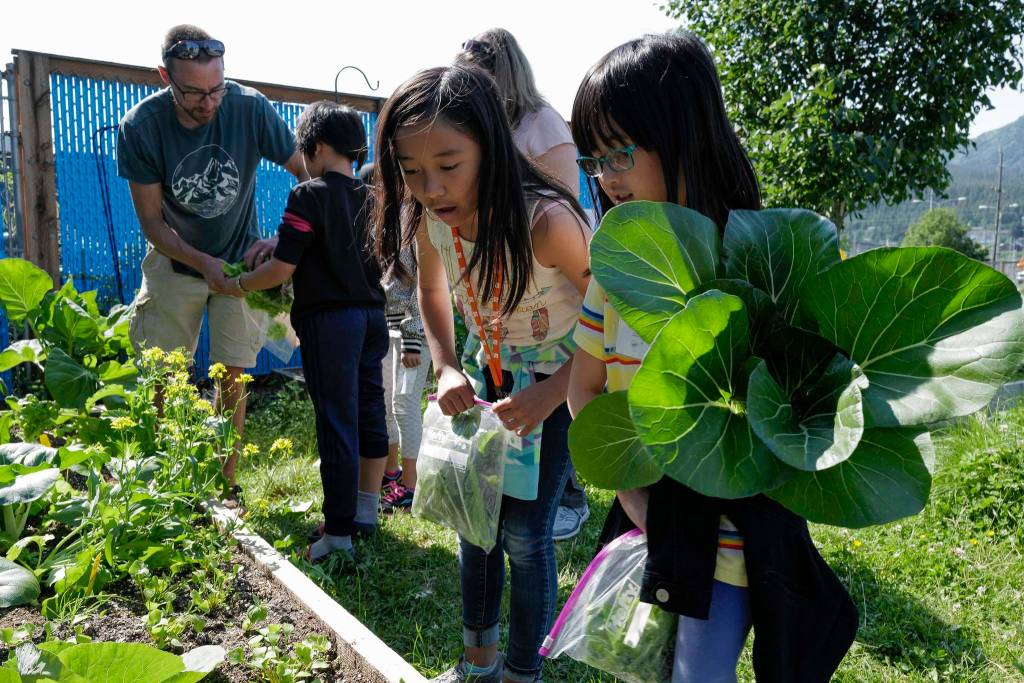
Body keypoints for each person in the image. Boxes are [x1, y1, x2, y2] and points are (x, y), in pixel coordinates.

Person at [567, 32, 858, 682]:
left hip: (736, 530)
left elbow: (814, 391)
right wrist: (635, 496)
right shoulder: (615, 271)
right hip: (656, 516)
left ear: (683, 136)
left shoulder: (759, 256)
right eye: (595, 160)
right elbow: (583, 389)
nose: (605, 178)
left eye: (619, 153)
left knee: (700, 671)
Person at [371, 64, 590, 683]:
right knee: (476, 521)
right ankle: (479, 664)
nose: (431, 187)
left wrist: (553, 392)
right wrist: (444, 367)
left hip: (561, 382)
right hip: (487, 380)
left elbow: (619, 320)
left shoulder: (547, 222)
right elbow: (434, 298)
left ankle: (522, 672)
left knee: (525, 535)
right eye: (411, 172)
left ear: (490, 148)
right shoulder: (430, 223)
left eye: (448, 164)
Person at [117, 24, 307, 497]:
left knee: (233, 372)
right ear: (164, 77)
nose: (208, 102)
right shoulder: (140, 127)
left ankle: (225, 485)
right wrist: (202, 262)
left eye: (216, 88)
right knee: (164, 375)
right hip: (174, 260)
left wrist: (284, 237)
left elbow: (308, 177)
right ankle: (168, 479)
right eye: (194, 93)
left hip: (240, 263)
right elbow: (152, 223)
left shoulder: (248, 107)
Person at [224, 101, 387, 562]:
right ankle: (366, 514)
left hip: (330, 322)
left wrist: (238, 284)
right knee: (369, 411)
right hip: (373, 317)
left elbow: (281, 267)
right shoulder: (371, 195)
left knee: (336, 423)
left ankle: (337, 534)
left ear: (315, 146)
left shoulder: (308, 195)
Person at [456, 27, 589, 541]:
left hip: (549, 287)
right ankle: (531, 490)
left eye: (476, 78)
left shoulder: (542, 124)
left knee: (556, 398)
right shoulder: (480, 129)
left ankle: (567, 498)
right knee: (517, 401)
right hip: (500, 296)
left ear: (503, 73)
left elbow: (559, 204)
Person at [363, 161, 431, 512]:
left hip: (413, 330)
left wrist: (412, 338)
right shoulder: (385, 223)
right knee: (389, 404)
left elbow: (425, 286)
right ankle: (391, 473)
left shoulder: (417, 220)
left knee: (405, 404)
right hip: (385, 327)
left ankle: (411, 484)